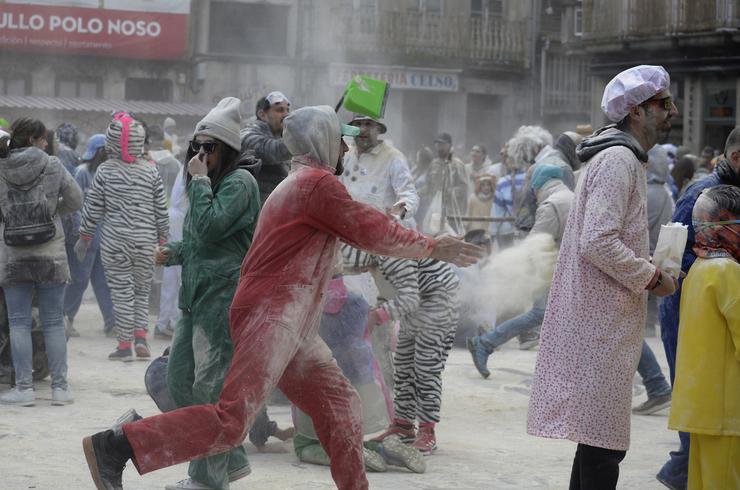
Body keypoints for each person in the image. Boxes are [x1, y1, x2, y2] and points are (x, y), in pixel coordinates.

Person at [82, 105, 483, 490]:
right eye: (340, 141)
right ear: (323, 141)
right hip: (270, 317)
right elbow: (368, 228)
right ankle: (117, 446)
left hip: (292, 323)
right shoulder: (314, 184)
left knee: (341, 407)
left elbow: (362, 223)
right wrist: (431, 245)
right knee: (233, 420)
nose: (347, 148)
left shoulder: (309, 183)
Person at [526, 65, 680, 490]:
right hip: (600, 325)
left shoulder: (621, 157)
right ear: (636, 112)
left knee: (597, 444)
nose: (672, 112)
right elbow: (598, 241)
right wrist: (652, 278)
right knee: (602, 448)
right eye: (663, 104)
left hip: (605, 323)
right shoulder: (618, 159)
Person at [153, 97, 261, 490]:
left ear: (227, 149)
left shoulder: (240, 183)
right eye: (196, 147)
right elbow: (201, 241)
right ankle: (230, 457)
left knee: (210, 390)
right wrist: (174, 253)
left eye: (209, 147)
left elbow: (213, 228)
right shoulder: (210, 183)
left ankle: (208, 479)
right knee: (179, 381)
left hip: (223, 298)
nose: (201, 154)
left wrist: (198, 182)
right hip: (195, 298)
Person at [656, 126, 740, 489]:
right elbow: (672, 260)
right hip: (692, 316)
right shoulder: (702, 196)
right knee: (705, 437)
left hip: (710, 314)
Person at [292, 276, 425, 474]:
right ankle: (383, 450)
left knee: (306, 446)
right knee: (351, 437)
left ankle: (352, 456)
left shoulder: (305, 300)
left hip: (314, 376)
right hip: (351, 381)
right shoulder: (355, 300)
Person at [342, 244, 461, 455]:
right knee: (404, 365)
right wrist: (377, 308)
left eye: (357, 267)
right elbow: (393, 290)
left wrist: (376, 316)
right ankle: (403, 425)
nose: (359, 272)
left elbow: (409, 299)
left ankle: (427, 430)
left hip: (438, 297)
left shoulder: (390, 254)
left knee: (426, 367)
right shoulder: (375, 259)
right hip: (417, 303)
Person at [0, 118, 83, 406]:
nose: (47, 144)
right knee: (52, 322)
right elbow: (76, 199)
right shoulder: (52, 166)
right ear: (34, 139)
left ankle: (23, 389)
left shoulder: (1, 167)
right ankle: (60, 388)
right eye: (44, 139)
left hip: (14, 255)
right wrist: (51, 211)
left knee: (18, 323)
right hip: (51, 254)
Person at [76, 112, 169, 361]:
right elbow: (161, 208)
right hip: (145, 241)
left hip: (116, 242)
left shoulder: (105, 171)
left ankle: (125, 345)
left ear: (112, 142)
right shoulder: (150, 171)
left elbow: (93, 207)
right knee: (140, 290)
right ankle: (141, 337)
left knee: (121, 292)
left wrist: (84, 236)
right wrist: (164, 240)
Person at [467, 163, 573, 378]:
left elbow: (536, 244)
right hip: (560, 269)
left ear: (540, 185)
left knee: (543, 314)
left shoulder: (551, 205)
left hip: (551, 269)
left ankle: (485, 343)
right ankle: (486, 343)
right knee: (544, 314)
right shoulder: (572, 197)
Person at [632, 145, 674, 416]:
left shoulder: (650, 193)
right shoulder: (666, 193)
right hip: (650, 263)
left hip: (641, 264)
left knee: (628, 331)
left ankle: (656, 385)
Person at [63, 134, 116, 338]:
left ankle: (112, 322)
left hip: (103, 236)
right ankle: (65, 317)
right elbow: (75, 205)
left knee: (103, 280)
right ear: (100, 151)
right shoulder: (82, 173)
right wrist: (81, 233)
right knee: (79, 279)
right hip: (86, 236)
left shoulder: (106, 174)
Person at [341, 114, 418, 228]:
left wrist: (401, 210)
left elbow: (409, 194)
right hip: (348, 231)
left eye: (368, 124)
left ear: (378, 129)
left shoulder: (393, 157)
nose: (362, 129)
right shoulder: (345, 155)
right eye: (358, 124)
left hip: (380, 233)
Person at [240, 90, 292, 203]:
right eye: (279, 110)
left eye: (287, 110)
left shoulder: (280, 136)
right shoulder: (248, 131)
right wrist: (300, 139)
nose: (286, 114)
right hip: (256, 211)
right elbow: (268, 150)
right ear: (262, 114)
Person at [420, 132, 468, 233]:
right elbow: (428, 187)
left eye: (442, 144)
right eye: (437, 144)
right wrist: (415, 193)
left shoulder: (457, 164)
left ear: (449, 145)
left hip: (451, 214)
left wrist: (449, 192)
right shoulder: (433, 164)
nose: (439, 147)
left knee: (451, 241)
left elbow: (463, 188)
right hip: (434, 213)